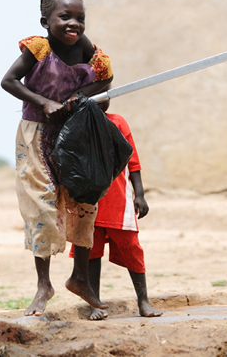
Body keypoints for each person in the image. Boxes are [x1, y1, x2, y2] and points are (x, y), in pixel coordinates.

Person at [1, 0, 113, 316]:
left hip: (76, 135)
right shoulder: (39, 49)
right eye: (65, 17)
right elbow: (8, 81)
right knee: (41, 207)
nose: (73, 23)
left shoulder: (87, 48)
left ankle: (80, 279)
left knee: (82, 202)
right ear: (45, 21)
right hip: (36, 135)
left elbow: (106, 79)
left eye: (80, 18)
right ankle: (43, 285)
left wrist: (82, 93)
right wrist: (45, 102)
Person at [68, 97, 163, 320]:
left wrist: (139, 194)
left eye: (105, 95)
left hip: (118, 200)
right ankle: (95, 304)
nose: (101, 100)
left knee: (131, 246)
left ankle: (143, 301)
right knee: (90, 250)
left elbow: (133, 160)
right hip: (88, 200)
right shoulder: (77, 123)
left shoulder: (118, 122)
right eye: (95, 96)